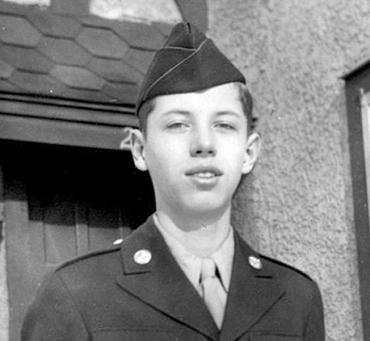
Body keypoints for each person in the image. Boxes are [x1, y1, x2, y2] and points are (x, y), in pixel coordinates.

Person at [21, 22, 325, 341]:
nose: (204, 143)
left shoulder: (296, 298)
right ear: (140, 149)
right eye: (178, 124)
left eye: (223, 124)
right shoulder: (77, 294)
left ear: (249, 152)